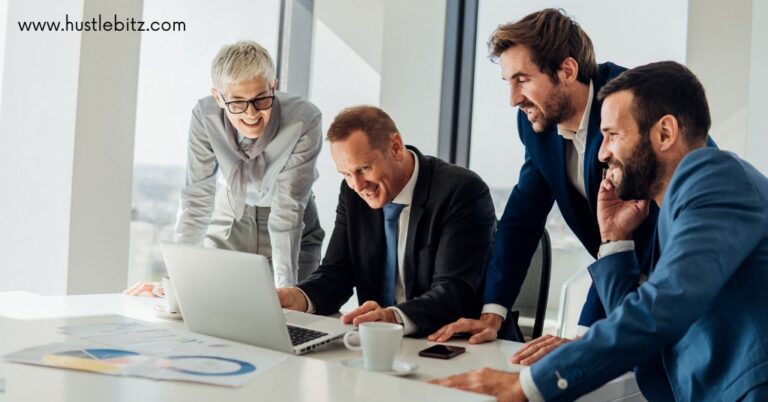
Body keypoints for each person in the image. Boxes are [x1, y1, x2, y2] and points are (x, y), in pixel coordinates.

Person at [432, 61, 768, 402]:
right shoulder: (673, 213)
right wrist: (614, 243)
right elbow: (646, 340)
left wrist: (531, 384)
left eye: (613, 135)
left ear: (665, 133)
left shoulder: (716, 177)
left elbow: (664, 305)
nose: (602, 152)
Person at [429, 8, 659, 350]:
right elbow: (523, 218)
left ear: (567, 70)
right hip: (626, 280)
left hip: (678, 278)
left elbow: (634, 237)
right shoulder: (536, 125)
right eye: (509, 82)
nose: (513, 99)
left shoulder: (629, 108)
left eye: (522, 79)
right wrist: (493, 313)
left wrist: (583, 337)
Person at [277, 106, 496, 337]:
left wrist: (393, 317)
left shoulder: (461, 190)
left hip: (451, 341)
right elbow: (337, 272)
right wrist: (299, 296)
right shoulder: (352, 193)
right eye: (346, 174)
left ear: (395, 147)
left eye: (364, 168)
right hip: (377, 341)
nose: (358, 185)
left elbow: (454, 292)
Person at [127, 40, 325, 296]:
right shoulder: (204, 116)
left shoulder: (304, 119)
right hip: (230, 215)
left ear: (274, 87)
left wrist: (285, 291)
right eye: (238, 102)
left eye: (261, 99)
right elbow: (197, 198)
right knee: (213, 304)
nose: (251, 114)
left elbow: (289, 208)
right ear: (218, 97)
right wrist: (175, 280)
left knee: (293, 319)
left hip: (293, 223)